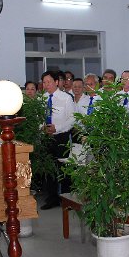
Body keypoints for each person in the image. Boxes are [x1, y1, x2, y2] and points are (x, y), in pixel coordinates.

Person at [41, 70, 75, 209]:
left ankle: (68, 199)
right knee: (50, 169)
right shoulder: (42, 99)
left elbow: (72, 119)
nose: (46, 85)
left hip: (61, 137)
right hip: (47, 138)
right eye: (44, 82)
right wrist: (42, 128)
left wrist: (57, 128)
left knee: (64, 169)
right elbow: (39, 118)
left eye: (49, 82)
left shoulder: (66, 98)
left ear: (56, 82)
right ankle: (52, 198)